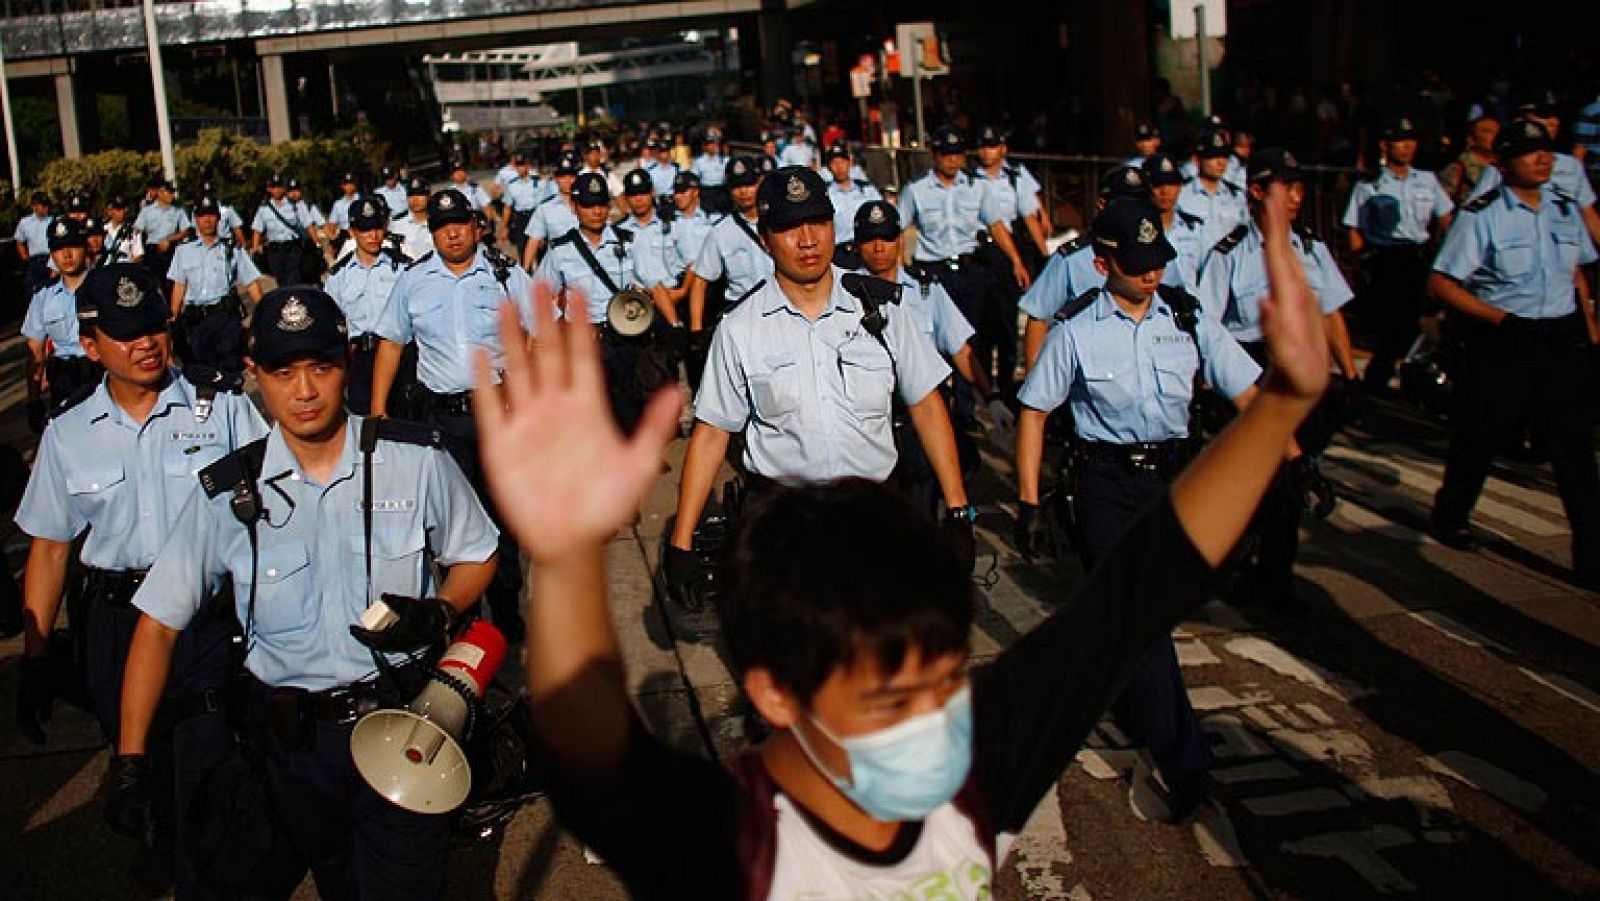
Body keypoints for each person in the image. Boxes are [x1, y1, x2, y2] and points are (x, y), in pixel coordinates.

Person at [468, 179, 1329, 900]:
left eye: (942, 685)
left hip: (880, 505)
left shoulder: (973, 769)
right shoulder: (730, 843)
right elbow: (595, 759)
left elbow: (1134, 595)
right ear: (772, 695)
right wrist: (569, 550)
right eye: (885, 704)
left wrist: (1283, 402)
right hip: (779, 525)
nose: (930, 732)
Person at [116, 286, 498, 900]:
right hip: (291, 751)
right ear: (253, 376)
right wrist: (130, 761)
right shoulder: (226, 493)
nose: (304, 391)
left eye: (321, 367)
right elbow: (158, 624)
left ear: (347, 362)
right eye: (283, 371)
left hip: (404, 726)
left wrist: (441, 610)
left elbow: (477, 553)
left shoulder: (414, 458)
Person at [15, 263, 266, 896]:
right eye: (128, 334)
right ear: (91, 345)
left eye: (155, 326)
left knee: (208, 758)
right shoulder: (69, 434)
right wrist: (37, 653)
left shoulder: (225, 405)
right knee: (143, 764)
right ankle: (171, 847)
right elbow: (50, 550)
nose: (148, 343)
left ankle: (202, 871)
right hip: (116, 621)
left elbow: (275, 498)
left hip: (205, 615)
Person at [1015, 198, 1262, 821]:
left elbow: (1246, 389)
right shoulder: (1075, 330)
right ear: (1102, 264)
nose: (1152, 274)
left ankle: (1126, 694)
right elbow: (1035, 412)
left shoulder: (1186, 316)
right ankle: (1186, 765)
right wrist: (1027, 503)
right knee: (1145, 623)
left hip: (1177, 480)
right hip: (1105, 486)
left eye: (1158, 262)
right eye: (1137, 264)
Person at [666, 166, 976, 596]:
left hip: (875, 521)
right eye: (790, 228)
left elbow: (926, 403)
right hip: (785, 532)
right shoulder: (740, 328)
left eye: (819, 222)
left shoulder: (883, 311)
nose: (808, 239)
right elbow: (712, 434)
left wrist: (959, 510)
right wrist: (681, 542)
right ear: (764, 240)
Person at [1427, 119, 1600, 587]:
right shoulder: (1482, 215)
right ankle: (1451, 513)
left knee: (1576, 451)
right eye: (1528, 152)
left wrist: (1590, 330)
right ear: (1503, 165)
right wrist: (1498, 320)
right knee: (1481, 434)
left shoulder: (1564, 209)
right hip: (1506, 337)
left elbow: (1578, 275)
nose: (1542, 158)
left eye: (1545, 150)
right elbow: (1442, 283)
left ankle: (1592, 557)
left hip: (1561, 338)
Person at [1197, 148, 1360, 610]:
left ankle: (1244, 565)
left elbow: (1331, 315)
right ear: (1256, 191)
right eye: (1285, 188)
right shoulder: (1228, 254)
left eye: (1300, 188)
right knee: (1279, 481)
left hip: (1302, 375)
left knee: (1277, 486)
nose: (1296, 198)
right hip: (1251, 374)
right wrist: (1209, 388)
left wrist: (1347, 374)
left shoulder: (1311, 249)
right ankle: (1268, 582)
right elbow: (1207, 327)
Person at [371, 188, 535, 642]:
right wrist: (378, 408)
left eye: (461, 223)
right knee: (450, 520)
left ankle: (505, 609)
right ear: (432, 233)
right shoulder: (414, 280)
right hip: (441, 418)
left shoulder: (504, 275)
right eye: (443, 227)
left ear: (476, 225)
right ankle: (461, 612)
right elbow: (390, 342)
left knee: (502, 514)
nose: (453, 233)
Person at [855, 199, 1015, 513]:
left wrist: (991, 396)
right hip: (869, 418)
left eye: (886, 238)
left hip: (922, 417)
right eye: (869, 239)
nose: (878, 247)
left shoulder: (926, 290)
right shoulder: (842, 295)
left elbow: (960, 349)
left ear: (899, 240)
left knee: (922, 505)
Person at [534, 172, 656, 431]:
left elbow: (652, 284)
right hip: (586, 342)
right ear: (575, 206)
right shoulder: (561, 251)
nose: (597, 211)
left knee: (631, 405)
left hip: (627, 336)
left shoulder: (628, 241)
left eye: (602, 204)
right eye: (589, 205)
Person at [1341, 117, 1455, 393]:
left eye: (1410, 142)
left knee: (1419, 321)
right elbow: (1352, 227)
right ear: (1385, 146)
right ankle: (1377, 381)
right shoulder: (1369, 185)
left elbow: (1446, 219)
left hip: (1418, 255)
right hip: (1385, 257)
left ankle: (1405, 377)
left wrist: (1449, 257)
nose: (1405, 148)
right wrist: (1360, 262)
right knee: (1394, 323)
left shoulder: (1427, 180)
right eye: (1399, 142)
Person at [684, 155, 773, 388]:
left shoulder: (779, 222)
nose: (744, 192)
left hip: (781, 312)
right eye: (737, 186)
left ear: (760, 183)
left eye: (749, 184)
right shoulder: (721, 232)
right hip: (742, 318)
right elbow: (701, 281)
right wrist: (696, 332)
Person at [324, 196, 412, 415]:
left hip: (401, 356)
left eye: (377, 228)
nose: (373, 236)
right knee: (366, 430)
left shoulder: (402, 267)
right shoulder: (339, 276)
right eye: (365, 230)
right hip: (361, 360)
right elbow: (332, 327)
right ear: (352, 232)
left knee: (409, 424)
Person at [169, 195, 265, 376]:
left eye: (212, 215)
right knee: (201, 371)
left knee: (229, 369)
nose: (207, 220)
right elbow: (179, 285)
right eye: (202, 216)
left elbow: (251, 282)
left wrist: (264, 310)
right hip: (196, 320)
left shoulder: (231, 248)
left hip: (225, 317)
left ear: (219, 218)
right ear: (195, 219)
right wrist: (173, 317)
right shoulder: (183, 250)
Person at [21, 218, 98, 430]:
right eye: (58, 249)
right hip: (64, 381)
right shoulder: (43, 297)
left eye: (72, 246)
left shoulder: (104, 289)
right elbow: (35, 353)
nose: (66, 255)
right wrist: (33, 400)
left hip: (102, 376)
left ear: (85, 247)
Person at [1143, 152, 1207, 291]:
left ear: (1180, 187)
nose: (1165, 191)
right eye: (1157, 184)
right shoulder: (1137, 229)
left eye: (1171, 184)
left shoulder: (1195, 229)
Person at [1177, 128, 1248, 251]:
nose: (1221, 162)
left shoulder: (1237, 197)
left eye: (1225, 156)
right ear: (1198, 160)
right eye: (1213, 157)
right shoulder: (1181, 195)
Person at [251, 174, 319, 287]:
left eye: (279, 187)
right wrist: (255, 249)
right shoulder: (264, 208)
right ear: (269, 189)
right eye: (273, 187)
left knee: (294, 279)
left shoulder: (295, 205)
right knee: (282, 281)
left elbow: (308, 225)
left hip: (293, 248)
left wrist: (317, 244)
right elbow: (257, 230)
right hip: (275, 251)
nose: (277, 190)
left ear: (284, 188)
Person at [824, 141, 881, 272]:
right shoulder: (825, 195)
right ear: (828, 167)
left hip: (866, 250)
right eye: (834, 163)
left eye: (842, 162)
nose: (839, 167)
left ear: (850, 163)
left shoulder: (867, 190)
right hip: (840, 254)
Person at [522, 151, 581, 269]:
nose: (568, 181)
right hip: (559, 269)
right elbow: (532, 242)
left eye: (571, 176)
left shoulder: (589, 204)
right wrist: (525, 272)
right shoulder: (545, 209)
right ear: (556, 178)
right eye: (563, 176)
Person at [134, 181, 191, 282]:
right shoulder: (147, 211)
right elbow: (136, 231)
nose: (172, 195)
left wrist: (169, 240)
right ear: (160, 193)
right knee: (152, 281)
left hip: (170, 249)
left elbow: (186, 231)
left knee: (170, 281)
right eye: (169, 192)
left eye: (173, 192)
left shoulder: (178, 211)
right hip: (152, 250)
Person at [1438, 115, 1500, 205]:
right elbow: (1442, 207)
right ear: (1471, 139)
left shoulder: (1506, 168)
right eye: (1487, 131)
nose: (1495, 136)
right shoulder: (1457, 167)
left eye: (1498, 132)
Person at [501, 153, 552, 252]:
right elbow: (507, 207)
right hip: (521, 219)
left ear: (528, 166)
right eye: (518, 166)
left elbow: (546, 203)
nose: (521, 168)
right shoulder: (512, 185)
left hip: (535, 216)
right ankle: (525, 267)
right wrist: (504, 227)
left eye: (523, 165)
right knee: (522, 248)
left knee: (540, 250)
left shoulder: (539, 182)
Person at [13, 192, 55, 292]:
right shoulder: (25, 222)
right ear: (34, 206)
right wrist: (24, 256)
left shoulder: (53, 221)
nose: (46, 208)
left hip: (51, 260)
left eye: (46, 205)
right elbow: (19, 240)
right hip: (34, 262)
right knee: (33, 291)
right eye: (43, 206)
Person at [389, 175, 436, 261]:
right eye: (411, 195)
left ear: (429, 196)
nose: (415, 199)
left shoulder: (438, 221)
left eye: (420, 194)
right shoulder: (396, 226)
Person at [692, 130, 731, 213]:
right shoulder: (699, 162)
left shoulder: (725, 160)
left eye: (715, 143)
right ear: (705, 146)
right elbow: (694, 179)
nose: (713, 146)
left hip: (721, 191)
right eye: (710, 144)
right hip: (706, 193)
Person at [100, 195, 144, 267]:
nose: (122, 213)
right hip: (104, 270)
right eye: (118, 210)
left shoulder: (132, 231)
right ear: (110, 211)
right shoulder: (103, 229)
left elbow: (138, 255)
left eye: (123, 209)